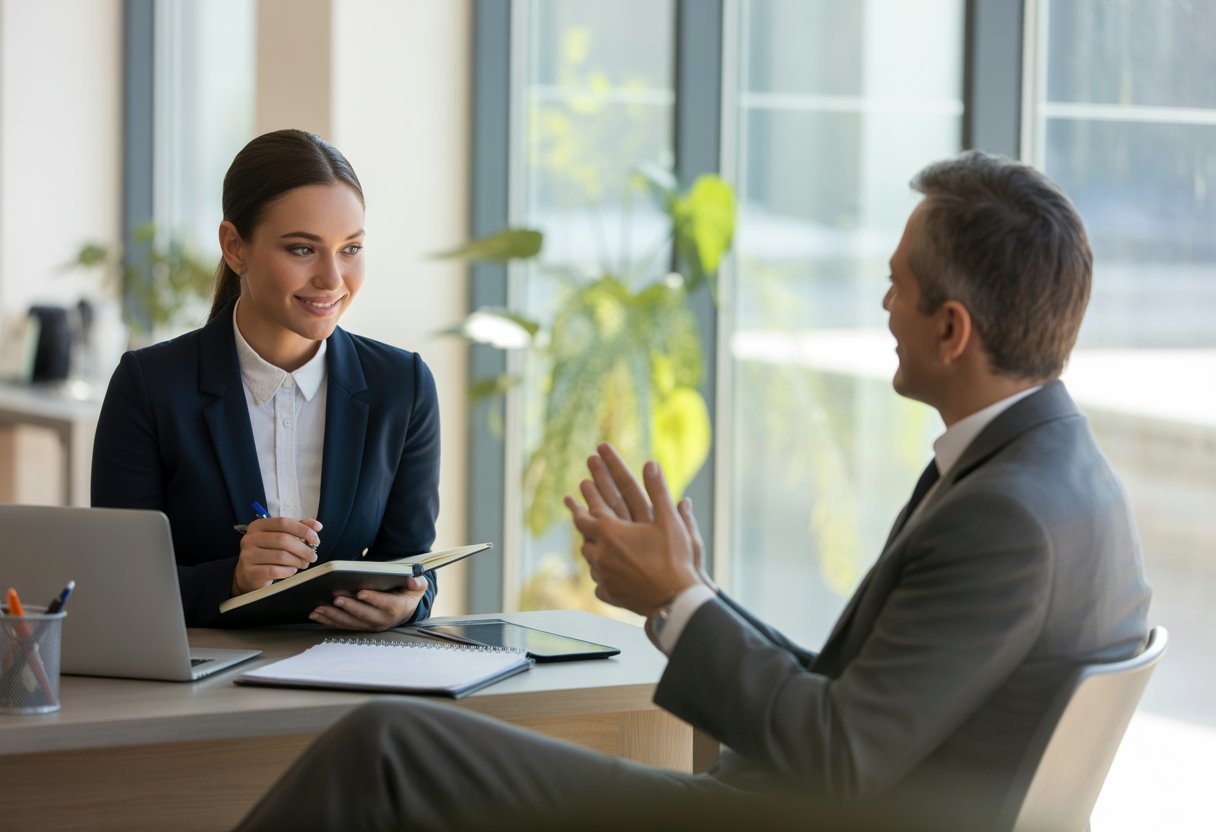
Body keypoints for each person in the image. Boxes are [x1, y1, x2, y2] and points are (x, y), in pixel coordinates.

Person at [234, 150, 1151, 831]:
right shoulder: (1056, 477)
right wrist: (696, 596)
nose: (882, 309)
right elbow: (852, 701)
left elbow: (837, 755)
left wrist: (674, 601)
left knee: (388, 745)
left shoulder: (1006, 517)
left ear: (951, 329)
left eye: (896, 287)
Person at [91, 129, 441, 631]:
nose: (332, 279)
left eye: (351, 248)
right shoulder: (149, 386)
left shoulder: (401, 386)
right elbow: (116, 585)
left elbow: (412, 566)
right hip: (197, 684)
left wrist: (408, 602)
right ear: (235, 247)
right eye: (302, 249)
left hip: (351, 676)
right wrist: (232, 581)